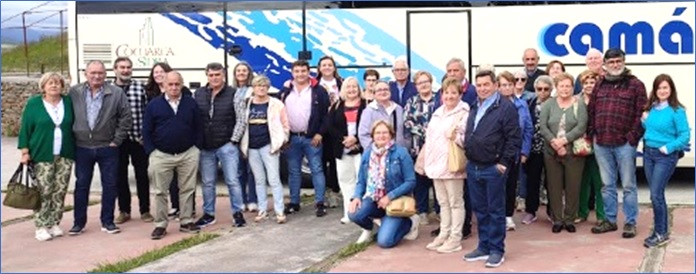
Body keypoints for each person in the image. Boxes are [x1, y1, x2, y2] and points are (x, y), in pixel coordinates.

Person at [462, 70, 520, 268]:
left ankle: (497, 250)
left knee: (495, 210)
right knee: (480, 210)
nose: (482, 88)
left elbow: (514, 138)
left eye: (486, 84)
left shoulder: (506, 107)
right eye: (479, 85)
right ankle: (484, 246)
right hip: (474, 166)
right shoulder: (474, 105)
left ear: (495, 85)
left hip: (493, 168)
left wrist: (503, 163)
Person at [587, 48, 647, 238]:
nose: (615, 65)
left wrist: (632, 138)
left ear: (624, 61)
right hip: (602, 143)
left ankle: (630, 222)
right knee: (607, 185)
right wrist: (592, 134)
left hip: (624, 144)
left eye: (618, 61)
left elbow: (642, 114)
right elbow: (591, 111)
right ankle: (610, 220)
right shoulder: (600, 85)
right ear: (605, 64)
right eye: (611, 62)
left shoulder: (635, 85)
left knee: (629, 185)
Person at [68, 60, 132, 236]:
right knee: (81, 186)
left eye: (100, 73)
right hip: (82, 147)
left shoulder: (116, 93)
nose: (96, 76)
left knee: (110, 185)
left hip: (107, 147)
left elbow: (126, 118)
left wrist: (116, 140)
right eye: (93, 73)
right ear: (86, 74)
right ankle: (78, 223)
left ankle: (108, 221)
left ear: (106, 74)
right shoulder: (74, 92)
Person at [145, 71, 203, 240]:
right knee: (160, 191)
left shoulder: (190, 103)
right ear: (163, 85)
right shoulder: (154, 105)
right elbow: (147, 130)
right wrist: (151, 151)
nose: (174, 87)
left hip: (187, 154)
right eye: (170, 84)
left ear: (181, 84)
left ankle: (186, 221)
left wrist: (196, 148)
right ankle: (161, 225)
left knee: (187, 189)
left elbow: (198, 126)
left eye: (177, 84)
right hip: (161, 155)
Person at [18, 72, 75, 241]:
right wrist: (25, 152)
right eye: (50, 83)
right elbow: (25, 129)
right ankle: (41, 225)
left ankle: (54, 222)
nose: (54, 86)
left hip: (65, 153)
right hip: (41, 153)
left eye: (57, 83)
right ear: (43, 86)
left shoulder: (68, 102)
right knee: (44, 191)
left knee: (59, 190)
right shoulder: (34, 104)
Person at [348, 120, 420, 247]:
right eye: (378, 133)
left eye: (385, 133)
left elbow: (411, 181)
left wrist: (389, 196)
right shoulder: (367, 154)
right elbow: (361, 181)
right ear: (373, 136)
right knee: (353, 214)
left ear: (391, 135)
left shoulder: (401, 153)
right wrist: (357, 196)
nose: (381, 136)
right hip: (373, 199)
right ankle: (372, 227)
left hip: (395, 202)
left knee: (385, 242)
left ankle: (409, 223)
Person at [193, 62, 247, 228]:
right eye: (211, 75)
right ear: (207, 75)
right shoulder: (199, 94)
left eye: (218, 75)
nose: (214, 78)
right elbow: (195, 119)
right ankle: (208, 214)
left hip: (226, 145)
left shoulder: (234, 93)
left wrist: (234, 140)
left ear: (223, 75)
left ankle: (238, 213)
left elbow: (241, 119)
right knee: (208, 182)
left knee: (232, 181)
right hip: (205, 147)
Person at [641, 74, 690, 248]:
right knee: (656, 195)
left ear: (671, 90)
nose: (662, 91)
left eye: (665, 88)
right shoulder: (652, 108)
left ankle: (661, 233)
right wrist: (644, 121)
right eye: (659, 88)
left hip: (665, 156)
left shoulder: (677, 111)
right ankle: (660, 230)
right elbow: (653, 129)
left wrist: (668, 148)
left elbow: (684, 135)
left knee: (656, 194)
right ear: (654, 90)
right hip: (648, 154)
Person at [422, 77, 470, 253]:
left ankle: (455, 238)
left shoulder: (464, 113)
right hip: (436, 165)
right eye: (446, 92)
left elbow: (468, 139)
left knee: (455, 202)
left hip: (452, 164)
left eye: (453, 93)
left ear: (460, 94)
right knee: (442, 202)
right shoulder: (437, 112)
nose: (449, 96)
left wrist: (455, 137)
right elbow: (431, 139)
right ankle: (444, 233)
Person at [278, 59, 331, 217]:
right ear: (292, 73)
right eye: (297, 71)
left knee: (317, 169)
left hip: (312, 138)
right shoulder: (285, 90)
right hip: (292, 138)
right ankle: (294, 202)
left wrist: (320, 133)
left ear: (309, 72)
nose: (300, 74)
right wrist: (284, 137)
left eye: (303, 71)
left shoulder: (319, 90)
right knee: (294, 172)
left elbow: (326, 115)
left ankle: (319, 202)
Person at [539, 72, 588, 233]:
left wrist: (564, 141)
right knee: (554, 186)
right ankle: (557, 219)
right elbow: (543, 127)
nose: (565, 89)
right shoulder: (548, 104)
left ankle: (569, 219)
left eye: (568, 86)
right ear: (556, 87)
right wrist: (555, 143)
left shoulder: (579, 103)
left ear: (572, 87)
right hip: (551, 151)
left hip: (573, 152)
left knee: (573, 186)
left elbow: (581, 126)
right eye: (562, 86)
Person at [240, 75, 290, 224]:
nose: (261, 88)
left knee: (274, 179)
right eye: (257, 85)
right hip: (252, 147)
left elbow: (285, 124)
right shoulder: (247, 104)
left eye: (264, 85)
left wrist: (282, 141)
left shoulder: (276, 104)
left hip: (269, 146)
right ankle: (262, 210)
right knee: (259, 180)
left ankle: (279, 211)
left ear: (268, 88)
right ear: (253, 88)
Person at [112, 57, 153, 224]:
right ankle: (124, 210)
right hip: (118, 140)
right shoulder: (109, 89)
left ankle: (145, 210)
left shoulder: (140, 87)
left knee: (142, 175)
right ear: (115, 69)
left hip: (138, 138)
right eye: (122, 67)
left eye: (128, 67)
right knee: (119, 176)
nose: (125, 70)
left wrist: (146, 135)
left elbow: (148, 112)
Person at [326, 77, 368, 224]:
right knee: (345, 181)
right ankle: (348, 213)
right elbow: (330, 127)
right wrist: (345, 141)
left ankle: (362, 213)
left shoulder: (366, 105)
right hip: (342, 149)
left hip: (361, 149)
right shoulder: (337, 105)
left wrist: (356, 139)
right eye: (348, 87)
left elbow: (369, 126)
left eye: (354, 87)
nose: (351, 90)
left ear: (359, 88)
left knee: (361, 180)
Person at [497, 71, 533, 231]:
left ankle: (508, 216)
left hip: (515, 153)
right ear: (498, 87)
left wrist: (524, 151)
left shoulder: (522, 104)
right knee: (497, 186)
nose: (507, 88)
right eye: (503, 85)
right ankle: (496, 216)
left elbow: (528, 129)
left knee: (511, 185)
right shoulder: (493, 105)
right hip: (497, 154)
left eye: (509, 84)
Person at [404, 70, 441, 226]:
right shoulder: (411, 102)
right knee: (421, 182)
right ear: (416, 85)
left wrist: (434, 133)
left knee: (438, 181)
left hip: (438, 149)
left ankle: (439, 211)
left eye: (426, 81)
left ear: (431, 82)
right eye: (420, 82)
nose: (423, 85)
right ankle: (423, 211)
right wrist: (425, 132)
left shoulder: (439, 100)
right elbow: (407, 122)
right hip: (418, 148)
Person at [522, 75, 554, 225]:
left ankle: (552, 212)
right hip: (534, 149)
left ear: (551, 89)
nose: (542, 92)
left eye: (546, 89)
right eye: (539, 89)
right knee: (532, 181)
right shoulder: (530, 103)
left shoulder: (556, 104)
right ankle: (531, 211)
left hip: (551, 148)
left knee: (552, 182)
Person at [576, 70, 605, 225]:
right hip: (580, 145)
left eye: (592, 82)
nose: (589, 86)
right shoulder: (576, 101)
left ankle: (601, 215)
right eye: (586, 83)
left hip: (599, 144)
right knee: (582, 181)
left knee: (599, 182)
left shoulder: (602, 99)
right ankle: (582, 212)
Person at [231, 61, 259, 212]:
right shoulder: (231, 90)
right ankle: (241, 199)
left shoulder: (252, 91)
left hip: (250, 134)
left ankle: (253, 199)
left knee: (251, 169)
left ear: (249, 73)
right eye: (238, 71)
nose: (241, 73)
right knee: (238, 170)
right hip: (236, 134)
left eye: (244, 71)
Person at [358, 80, 410, 149]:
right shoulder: (369, 111)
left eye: (386, 89)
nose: (383, 92)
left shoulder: (398, 109)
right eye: (379, 90)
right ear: (374, 94)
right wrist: (376, 151)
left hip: (398, 154)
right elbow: (363, 135)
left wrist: (404, 148)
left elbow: (406, 132)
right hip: (377, 155)